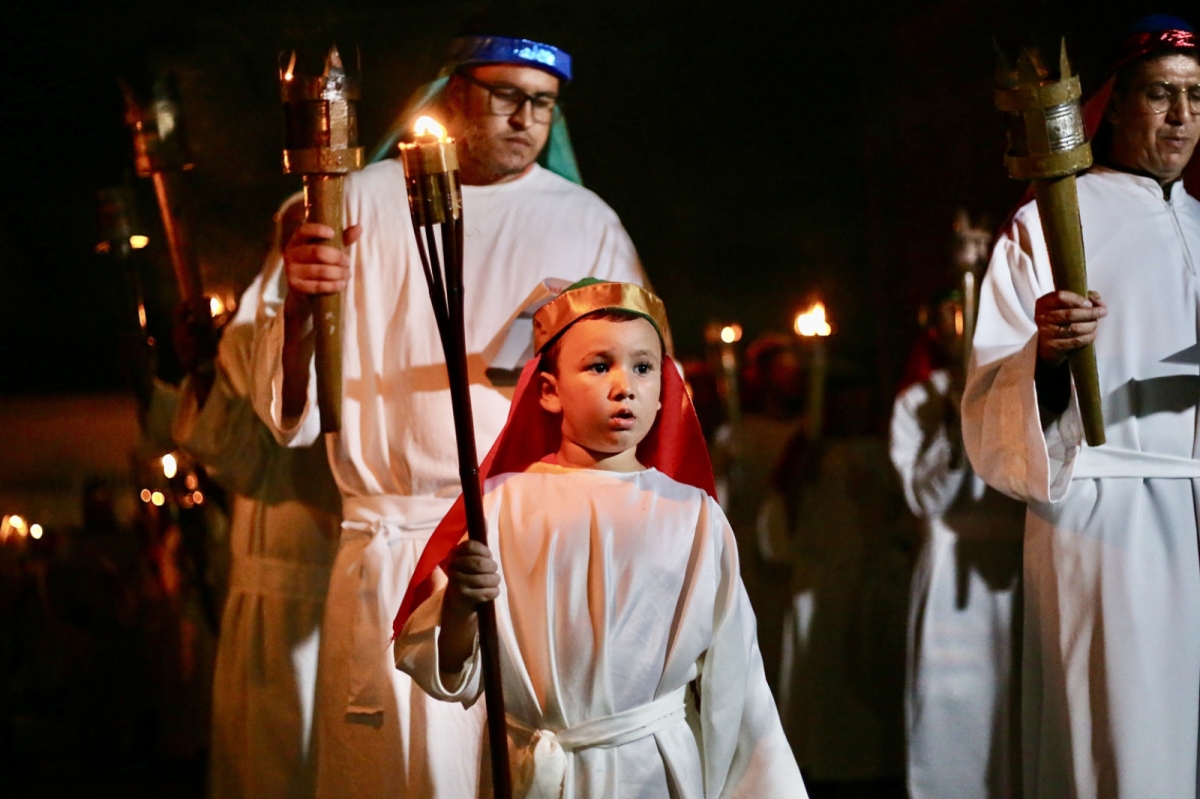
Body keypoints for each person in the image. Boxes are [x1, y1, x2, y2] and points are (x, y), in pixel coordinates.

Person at [251, 30, 649, 799]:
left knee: (513, 766)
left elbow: (639, 390)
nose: (524, 118)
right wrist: (301, 307)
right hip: (391, 549)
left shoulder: (588, 221)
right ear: (454, 94)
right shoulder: (355, 199)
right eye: (507, 97)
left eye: (542, 105)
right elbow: (290, 415)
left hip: (527, 548)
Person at [393, 280, 807, 799]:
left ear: (664, 393)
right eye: (598, 366)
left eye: (642, 367)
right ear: (548, 390)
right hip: (537, 774)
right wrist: (457, 605)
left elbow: (735, 682)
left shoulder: (692, 517)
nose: (623, 386)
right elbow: (453, 672)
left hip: (651, 773)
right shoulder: (499, 508)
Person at [962, 14, 1200, 797]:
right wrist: (1051, 355)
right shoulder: (1049, 223)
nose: (1182, 118)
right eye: (1162, 96)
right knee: (1122, 746)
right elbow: (993, 393)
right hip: (1106, 514)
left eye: (1197, 99)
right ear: (1112, 106)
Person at [173, 205, 340, 799]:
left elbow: (268, 371)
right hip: (259, 579)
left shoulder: (342, 322)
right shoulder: (258, 322)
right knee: (259, 759)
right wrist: (197, 367)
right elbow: (240, 454)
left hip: (328, 576)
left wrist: (234, 343)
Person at [890, 290, 1023, 799]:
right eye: (951, 313)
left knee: (1018, 708)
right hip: (951, 576)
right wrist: (953, 425)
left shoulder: (1019, 383)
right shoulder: (918, 400)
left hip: (1015, 570)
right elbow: (925, 498)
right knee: (955, 713)